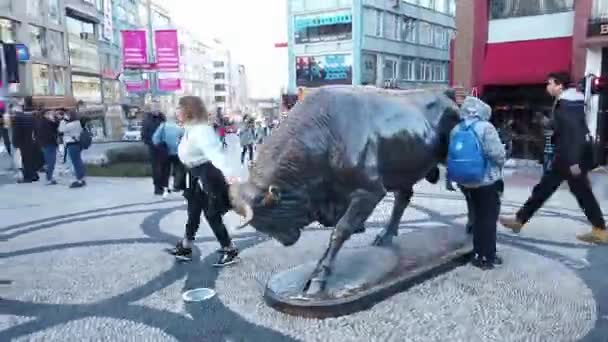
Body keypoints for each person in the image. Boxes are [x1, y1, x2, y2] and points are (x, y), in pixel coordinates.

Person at [500, 72, 607, 244]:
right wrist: (549, 123)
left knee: (580, 192)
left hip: (570, 159)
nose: (547, 87)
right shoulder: (568, 103)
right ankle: (519, 220)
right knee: (547, 189)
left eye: (550, 83)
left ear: (559, 85)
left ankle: (600, 230)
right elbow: (567, 129)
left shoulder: (567, 104)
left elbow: (575, 134)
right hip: (566, 157)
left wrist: (573, 162)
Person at [167, 96, 240, 266]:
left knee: (211, 214)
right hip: (193, 175)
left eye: (180, 107)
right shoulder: (191, 129)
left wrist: (229, 174)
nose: (177, 111)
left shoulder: (201, 130)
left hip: (205, 175)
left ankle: (229, 249)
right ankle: (186, 246)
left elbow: (216, 154)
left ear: (189, 110)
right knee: (193, 212)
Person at [449, 96, 506, 270]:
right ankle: (486, 256)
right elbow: (498, 155)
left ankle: (478, 253)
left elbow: (452, 155)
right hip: (486, 182)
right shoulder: (486, 128)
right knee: (488, 219)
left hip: (466, 182)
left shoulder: (457, 129)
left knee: (477, 218)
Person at [152, 118, 186, 197]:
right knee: (178, 168)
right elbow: (185, 136)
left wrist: (159, 146)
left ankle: (165, 186)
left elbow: (155, 138)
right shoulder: (180, 127)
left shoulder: (163, 126)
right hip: (177, 151)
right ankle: (176, 185)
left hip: (165, 151)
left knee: (165, 170)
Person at [141, 105, 167, 195]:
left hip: (164, 148)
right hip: (154, 149)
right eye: (155, 107)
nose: (157, 109)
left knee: (164, 168)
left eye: (158, 107)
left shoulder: (163, 119)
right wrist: (152, 143)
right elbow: (144, 135)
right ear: (151, 109)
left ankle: (164, 186)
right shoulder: (147, 120)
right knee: (156, 169)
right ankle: (157, 188)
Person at [11, 97, 39, 183]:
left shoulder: (17, 119)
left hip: (23, 142)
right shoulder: (30, 117)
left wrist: (15, 143)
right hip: (31, 140)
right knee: (31, 159)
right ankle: (34, 175)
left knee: (25, 160)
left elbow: (16, 132)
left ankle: (28, 177)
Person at [59, 111, 86, 188]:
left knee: (75, 162)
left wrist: (63, 120)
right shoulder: (78, 123)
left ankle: (79, 180)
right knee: (78, 161)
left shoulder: (70, 125)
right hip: (78, 144)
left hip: (71, 144)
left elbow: (61, 130)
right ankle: (82, 178)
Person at [34, 110, 61, 185]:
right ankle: (49, 178)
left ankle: (49, 177)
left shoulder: (39, 121)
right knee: (51, 161)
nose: (51, 115)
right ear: (46, 114)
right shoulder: (46, 122)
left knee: (49, 161)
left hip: (44, 144)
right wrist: (55, 118)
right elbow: (56, 127)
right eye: (50, 113)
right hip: (50, 144)